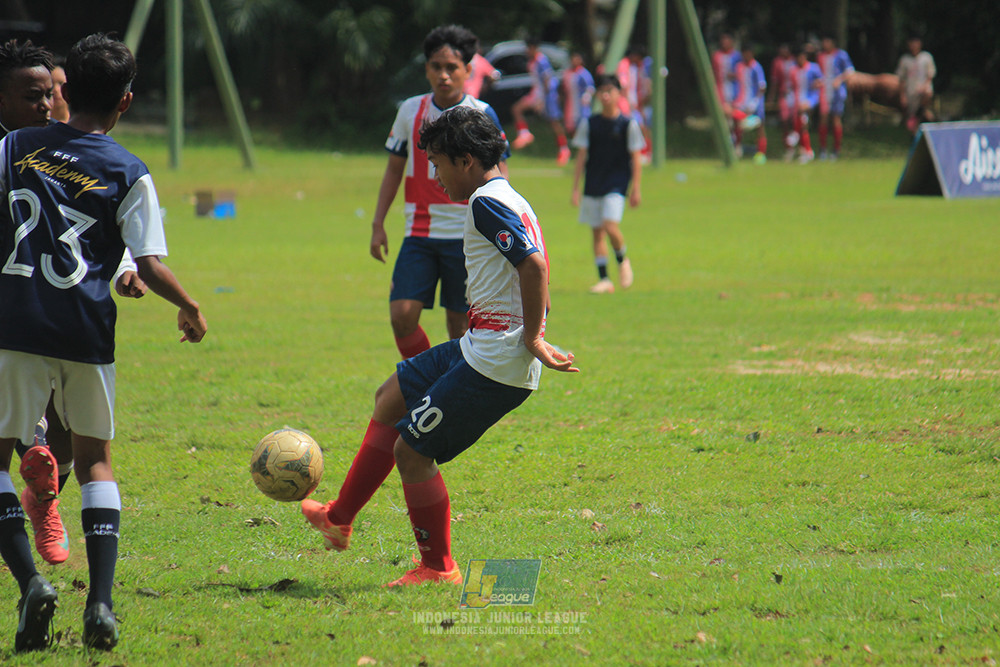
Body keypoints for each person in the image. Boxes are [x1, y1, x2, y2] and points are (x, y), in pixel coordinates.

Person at [302, 106, 577, 587]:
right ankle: (339, 517)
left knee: (411, 452)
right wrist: (532, 325)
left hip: (496, 361)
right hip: (480, 344)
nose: (433, 175)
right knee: (391, 398)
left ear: (466, 160)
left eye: (437, 163)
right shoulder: (511, 197)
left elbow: (533, 268)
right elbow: (534, 274)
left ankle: (438, 568)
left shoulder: (485, 203)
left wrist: (530, 336)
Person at [0, 33, 208, 651]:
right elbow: (147, 261)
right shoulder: (129, 170)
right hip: (86, 330)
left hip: (14, 323)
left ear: (66, 91)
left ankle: (32, 583)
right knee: (95, 462)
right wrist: (190, 304)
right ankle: (101, 604)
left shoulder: (13, 146)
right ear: (126, 101)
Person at [0, 38, 146, 569]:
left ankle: (43, 496)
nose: (44, 104)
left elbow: (94, 218)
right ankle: (41, 488)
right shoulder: (12, 151)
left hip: (37, 311)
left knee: (60, 432)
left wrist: (126, 265)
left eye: (50, 94)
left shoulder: (47, 148)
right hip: (35, 312)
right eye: (32, 95)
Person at [371, 25, 509, 360]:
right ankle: (425, 379)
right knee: (402, 315)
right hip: (418, 231)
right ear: (426, 69)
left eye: (452, 68)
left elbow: (500, 174)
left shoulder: (482, 114)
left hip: (468, 233)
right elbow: (393, 169)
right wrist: (378, 223)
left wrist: (502, 223)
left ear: (468, 71)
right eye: (436, 67)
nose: (444, 75)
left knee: (459, 325)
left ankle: (451, 397)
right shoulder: (410, 110)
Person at [570, 74, 642, 294]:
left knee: (610, 226)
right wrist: (575, 188)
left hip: (617, 183)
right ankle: (604, 280)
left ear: (619, 94)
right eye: (602, 91)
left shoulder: (627, 124)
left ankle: (622, 261)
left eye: (610, 91)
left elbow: (636, 158)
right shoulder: (589, 124)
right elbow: (582, 156)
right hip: (594, 182)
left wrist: (636, 188)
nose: (605, 95)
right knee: (597, 232)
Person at [510, 37, 571, 165]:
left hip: (546, 96)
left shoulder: (541, 61)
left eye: (529, 48)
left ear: (533, 48)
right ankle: (524, 134)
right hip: (538, 94)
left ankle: (564, 149)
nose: (527, 51)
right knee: (517, 109)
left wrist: (542, 101)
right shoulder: (533, 61)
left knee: (554, 123)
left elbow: (547, 81)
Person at [816, 36, 854, 160]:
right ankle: (822, 149)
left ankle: (836, 150)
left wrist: (839, 79)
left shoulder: (841, 55)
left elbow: (850, 71)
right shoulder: (820, 56)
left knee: (836, 119)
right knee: (823, 118)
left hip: (837, 92)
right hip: (824, 91)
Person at [732, 45, 767, 162]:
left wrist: (755, 102)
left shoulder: (756, 67)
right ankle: (737, 148)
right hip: (742, 102)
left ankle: (761, 153)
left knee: (760, 127)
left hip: (755, 102)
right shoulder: (739, 67)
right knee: (737, 123)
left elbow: (762, 87)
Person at [897, 36, 936, 133]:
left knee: (927, 94)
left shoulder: (926, 57)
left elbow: (930, 75)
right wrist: (902, 95)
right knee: (923, 117)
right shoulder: (905, 60)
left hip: (923, 92)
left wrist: (924, 86)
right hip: (911, 92)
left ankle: (918, 116)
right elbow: (901, 79)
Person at [789, 45, 821, 163]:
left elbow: (820, 82)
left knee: (802, 123)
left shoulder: (813, 68)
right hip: (797, 102)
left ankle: (805, 148)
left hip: (810, 100)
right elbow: (792, 87)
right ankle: (803, 149)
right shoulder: (793, 71)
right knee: (802, 125)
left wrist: (817, 84)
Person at [768, 44, 795, 150]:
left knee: (795, 119)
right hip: (784, 94)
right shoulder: (777, 62)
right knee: (784, 119)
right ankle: (787, 144)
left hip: (795, 93)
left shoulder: (794, 61)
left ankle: (795, 140)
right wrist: (771, 96)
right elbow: (775, 81)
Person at [561, 52, 594, 137]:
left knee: (582, 122)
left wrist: (586, 97)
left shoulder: (583, 73)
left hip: (580, 102)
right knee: (570, 124)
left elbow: (590, 88)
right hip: (570, 101)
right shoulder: (568, 72)